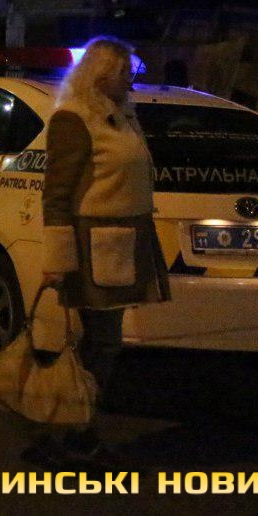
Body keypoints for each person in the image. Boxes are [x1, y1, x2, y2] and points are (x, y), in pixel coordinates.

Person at [34, 36, 170, 467]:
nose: (132, 78)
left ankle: (70, 431)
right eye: (124, 70)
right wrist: (58, 261)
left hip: (123, 243)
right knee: (101, 344)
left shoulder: (122, 115)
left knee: (100, 344)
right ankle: (75, 434)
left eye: (132, 70)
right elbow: (56, 195)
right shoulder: (75, 120)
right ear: (101, 73)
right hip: (94, 248)